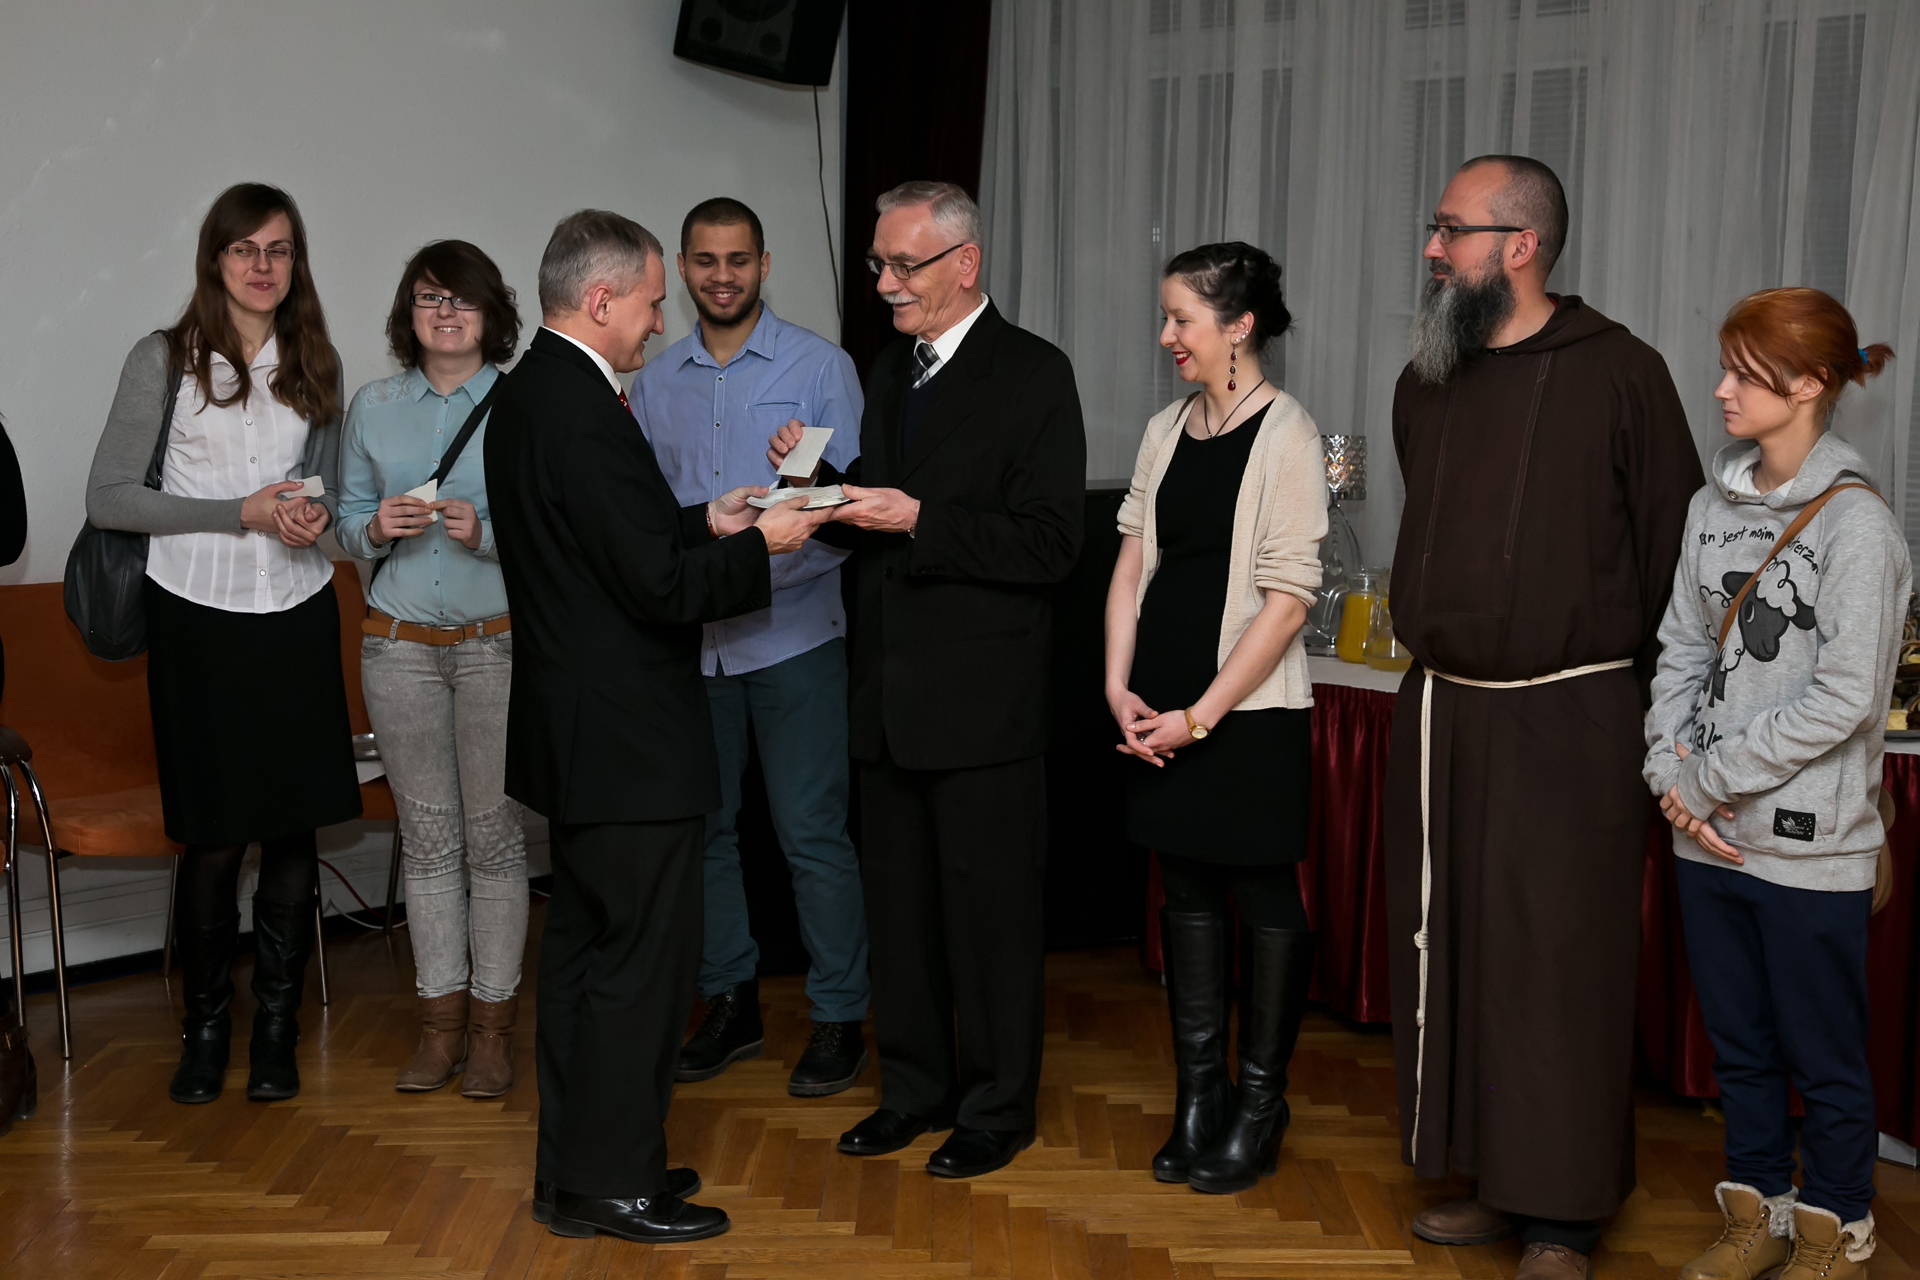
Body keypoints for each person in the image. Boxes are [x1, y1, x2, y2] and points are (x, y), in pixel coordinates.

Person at [1380, 156, 1702, 1280]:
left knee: (1556, 968)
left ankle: (1561, 1213)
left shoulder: (1623, 374)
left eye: (1452, 230)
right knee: (1458, 953)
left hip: (1569, 721)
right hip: (1444, 714)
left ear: (1519, 246)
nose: (1432, 249)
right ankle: (1486, 1172)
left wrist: (1658, 721)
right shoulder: (1427, 380)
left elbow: (1676, 558)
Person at [485, 209, 827, 1244]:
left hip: (581, 738)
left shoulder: (531, 393)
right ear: (600, 300)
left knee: (585, 962)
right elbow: (659, 589)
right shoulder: (586, 408)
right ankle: (617, 1183)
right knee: (638, 971)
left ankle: (576, 1172)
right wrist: (763, 543)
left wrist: (707, 519)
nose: (657, 318)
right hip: (630, 743)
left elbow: (610, 545)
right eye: (648, 300)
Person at [767, 180, 1086, 1180]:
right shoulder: (889, 368)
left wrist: (919, 519)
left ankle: (996, 1108)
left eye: (904, 265)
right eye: (879, 264)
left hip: (985, 707)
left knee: (990, 923)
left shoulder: (1034, 373)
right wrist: (816, 484)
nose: (885, 283)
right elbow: (880, 510)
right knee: (899, 916)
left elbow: (1052, 545)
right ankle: (911, 1090)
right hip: (888, 698)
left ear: (965, 262)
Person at [1645, 288, 1903, 1280]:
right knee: (1740, 1046)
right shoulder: (1710, 508)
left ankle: (1839, 1230)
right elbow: (1680, 647)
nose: (1720, 389)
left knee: (1822, 1055)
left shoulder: (1859, 527)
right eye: (1725, 367)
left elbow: (1847, 699)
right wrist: (1670, 774)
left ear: (1810, 385)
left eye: (1746, 374)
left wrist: (1707, 777)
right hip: (1704, 835)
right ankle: (1758, 1214)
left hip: (1808, 844)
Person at [85, 182, 360, 1106]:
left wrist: (316, 519)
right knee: (211, 838)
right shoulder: (162, 358)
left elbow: (324, 500)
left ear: (295, 262)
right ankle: (206, 1030)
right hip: (196, 616)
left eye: (279, 249)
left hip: (298, 610)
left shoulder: (316, 359)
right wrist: (239, 513)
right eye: (245, 249)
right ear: (215, 260)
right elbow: (109, 498)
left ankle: (277, 1029)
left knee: (292, 829)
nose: (262, 265)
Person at [631, 198, 870, 1097]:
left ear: (764, 265)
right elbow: (654, 523)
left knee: (813, 837)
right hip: (694, 652)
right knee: (707, 833)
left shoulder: (821, 366)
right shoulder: (653, 383)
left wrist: (753, 569)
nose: (722, 276)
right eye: (705, 260)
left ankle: (840, 1014)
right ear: (683, 268)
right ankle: (730, 1001)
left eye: (738, 259)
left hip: (797, 638)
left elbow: (851, 511)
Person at [1105, 243, 1326, 1195]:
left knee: (1265, 897)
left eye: (1181, 319)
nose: (1167, 335)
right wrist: (1117, 685)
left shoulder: (1289, 434)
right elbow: (1130, 564)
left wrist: (1200, 717)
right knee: (1185, 890)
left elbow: (1287, 602)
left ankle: (1260, 1104)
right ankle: (1200, 1096)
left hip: (1245, 712)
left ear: (1239, 326)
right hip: (1159, 702)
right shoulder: (1165, 428)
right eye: (1166, 317)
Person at [337, 241, 528, 1098]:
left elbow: (562, 529)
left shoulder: (523, 404)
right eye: (428, 298)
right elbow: (344, 520)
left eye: (462, 299)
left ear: (492, 314)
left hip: (498, 646)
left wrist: (485, 534)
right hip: (398, 649)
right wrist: (373, 528)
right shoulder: (374, 406)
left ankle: (491, 1034)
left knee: (495, 840)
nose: (445, 313)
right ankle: (439, 1028)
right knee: (428, 841)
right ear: (407, 314)